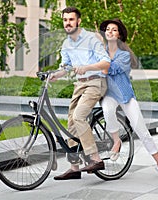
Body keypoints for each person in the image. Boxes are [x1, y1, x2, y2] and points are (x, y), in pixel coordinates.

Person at [99, 18, 158, 179]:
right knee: (107, 110)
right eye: (108, 29)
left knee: (142, 131)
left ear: (119, 35)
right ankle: (116, 141)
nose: (110, 31)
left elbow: (112, 68)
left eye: (114, 30)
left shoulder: (124, 55)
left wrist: (100, 63)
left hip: (125, 95)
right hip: (108, 94)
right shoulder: (100, 51)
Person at [50, 7, 111, 180]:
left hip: (95, 83)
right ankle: (74, 167)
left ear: (78, 21)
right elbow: (65, 66)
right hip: (80, 85)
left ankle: (95, 158)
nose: (67, 23)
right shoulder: (66, 44)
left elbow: (106, 62)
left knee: (79, 117)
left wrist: (87, 67)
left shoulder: (91, 39)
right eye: (65, 20)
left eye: (71, 19)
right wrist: (55, 74)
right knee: (71, 122)